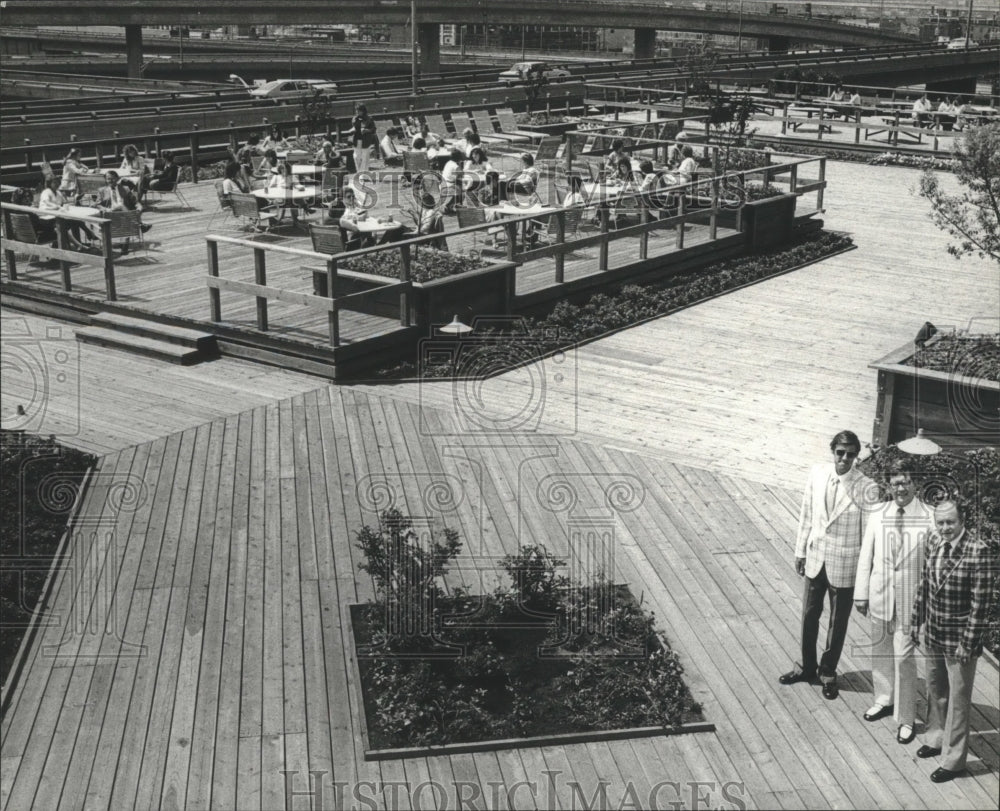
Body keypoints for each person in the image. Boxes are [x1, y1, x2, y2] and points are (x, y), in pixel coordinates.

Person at [780, 430, 873, 700]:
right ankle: (807, 667)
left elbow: (867, 537)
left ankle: (828, 671)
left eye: (851, 454)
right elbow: (807, 514)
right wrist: (800, 551)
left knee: (837, 621)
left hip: (844, 565)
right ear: (832, 451)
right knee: (809, 615)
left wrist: (864, 577)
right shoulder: (817, 474)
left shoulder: (867, 487)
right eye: (840, 452)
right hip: (815, 558)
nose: (844, 458)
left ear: (857, 456)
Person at [910, 501, 997, 783]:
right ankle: (935, 738)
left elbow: (980, 604)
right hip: (933, 633)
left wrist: (967, 643)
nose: (945, 528)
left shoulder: (978, 551)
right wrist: (915, 620)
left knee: (959, 700)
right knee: (936, 689)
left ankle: (954, 760)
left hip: (960, 641)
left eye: (950, 523)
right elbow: (925, 583)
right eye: (940, 522)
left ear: (963, 521)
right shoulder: (934, 541)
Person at [853, 459, 934, 745]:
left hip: (911, 602)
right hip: (880, 594)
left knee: (904, 657)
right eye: (895, 482)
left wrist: (928, 604)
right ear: (889, 485)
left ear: (915, 483)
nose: (900, 487)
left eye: (906, 481)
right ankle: (884, 698)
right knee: (881, 650)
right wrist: (860, 592)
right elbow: (867, 554)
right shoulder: (878, 512)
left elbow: (933, 566)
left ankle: (906, 718)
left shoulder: (929, 516)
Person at [36, 176, 89, 249]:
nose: (57, 184)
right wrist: (57, 206)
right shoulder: (46, 192)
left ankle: (81, 241)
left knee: (75, 220)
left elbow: (65, 202)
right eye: (55, 182)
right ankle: (83, 240)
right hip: (46, 218)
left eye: (58, 182)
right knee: (65, 225)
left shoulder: (58, 192)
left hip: (56, 217)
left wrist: (69, 202)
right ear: (50, 183)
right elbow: (47, 202)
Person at [351, 103, 377, 174]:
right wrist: (353, 130)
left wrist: (367, 130)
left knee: (365, 157)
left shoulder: (369, 118)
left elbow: (374, 129)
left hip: (366, 139)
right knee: (356, 157)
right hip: (357, 139)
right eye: (356, 111)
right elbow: (354, 127)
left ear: (363, 111)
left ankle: (363, 173)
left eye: (359, 110)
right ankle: (359, 171)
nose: (357, 112)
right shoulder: (354, 119)